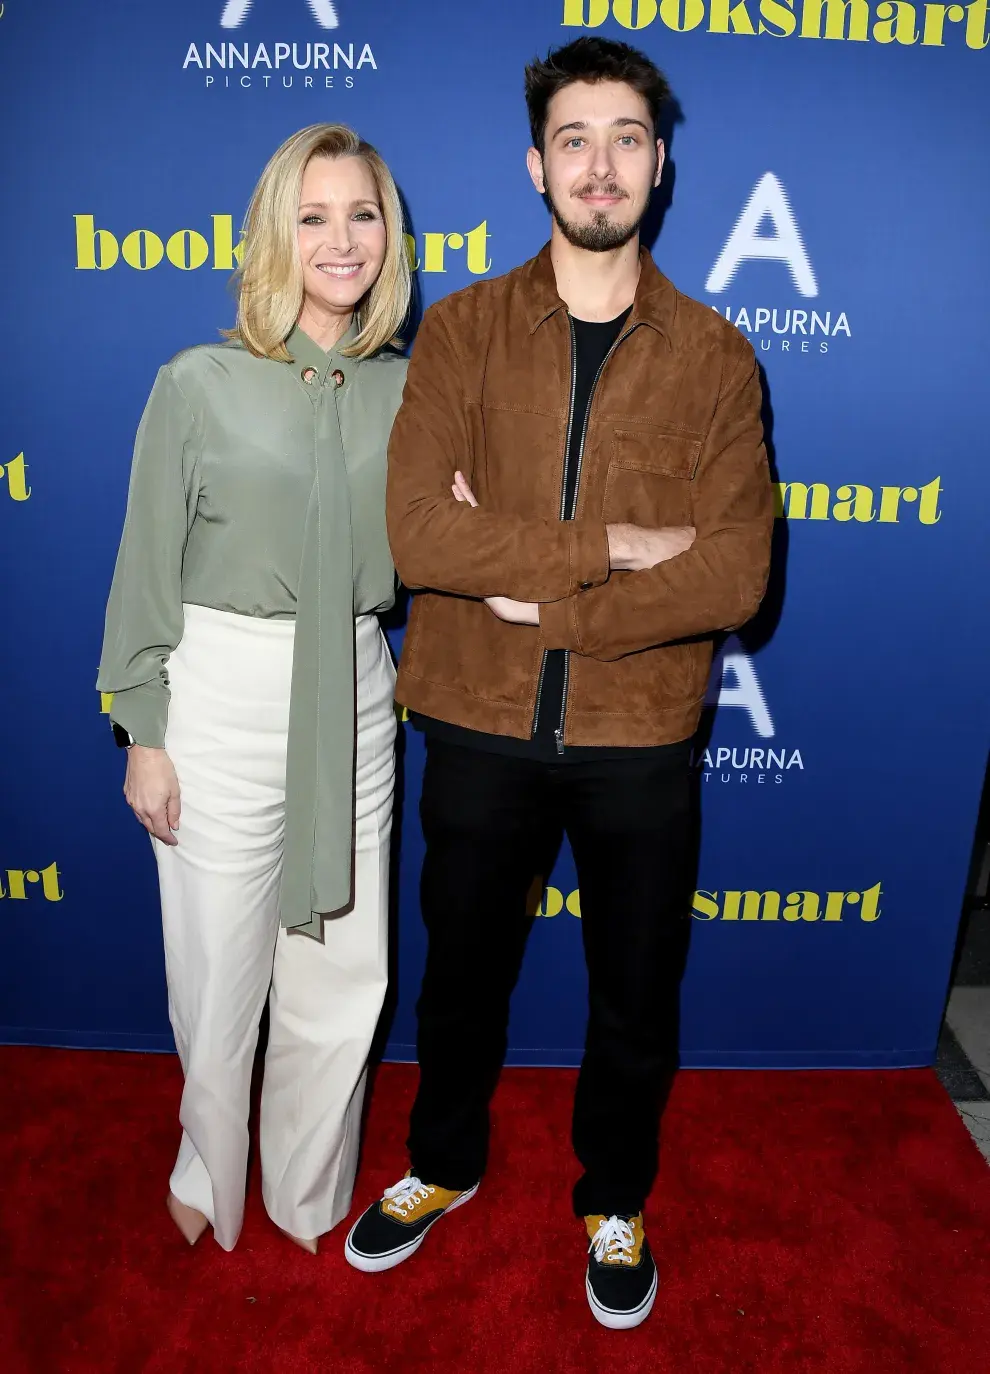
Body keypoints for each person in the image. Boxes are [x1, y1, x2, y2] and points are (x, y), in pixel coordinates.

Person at [345, 38, 772, 1329]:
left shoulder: (713, 354)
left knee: (635, 988)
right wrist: (612, 550)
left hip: (639, 728)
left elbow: (736, 573)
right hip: (474, 714)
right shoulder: (464, 330)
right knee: (459, 974)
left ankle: (616, 1193)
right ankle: (442, 1161)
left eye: (626, 137)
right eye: (575, 137)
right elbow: (422, 536)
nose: (600, 163)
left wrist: (549, 601)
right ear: (535, 164)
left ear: (660, 165)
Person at [97, 123, 410, 1253]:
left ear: (391, 235)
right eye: (313, 215)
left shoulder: (413, 393)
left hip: (360, 692)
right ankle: (207, 1158)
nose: (341, 239)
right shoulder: (199, 383)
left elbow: (460, 548)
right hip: (223, 693)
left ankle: (309, 1183)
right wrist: (145, 728)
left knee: (342, 970)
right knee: (219, 974)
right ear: (274, 234)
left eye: (362, 214)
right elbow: (145, 565)